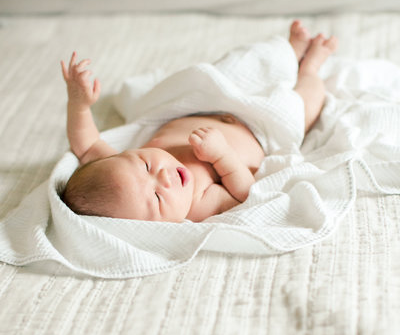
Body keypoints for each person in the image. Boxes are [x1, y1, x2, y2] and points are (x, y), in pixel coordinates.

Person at [60, 21, 338, 222]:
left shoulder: (119, 168)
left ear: (129, 154)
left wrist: (79, 103)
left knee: (243, 64)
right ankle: (310, 67)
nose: (163, 176)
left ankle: (288, 51)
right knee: (304, 107)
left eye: (146, 165)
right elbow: (243, 194)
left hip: (212, 103)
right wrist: (222, 156)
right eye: (157, 198)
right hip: (262, 129)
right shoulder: (198, 204)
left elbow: (86, 144)